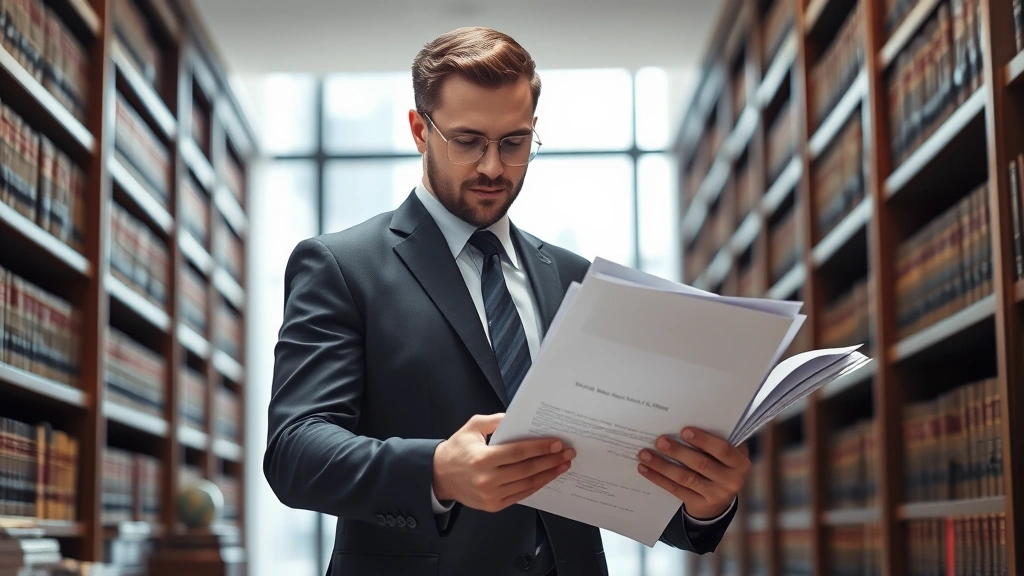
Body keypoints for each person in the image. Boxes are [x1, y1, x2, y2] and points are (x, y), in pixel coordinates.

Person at [264, 26, 750, 576]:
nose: (493, 167)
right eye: (467, 141)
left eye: (514, 142)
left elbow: (610, 467)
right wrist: (436, 471)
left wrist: (703, 504)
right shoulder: (341, 266)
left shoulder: (575, 278)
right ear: (420, 130)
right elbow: (294, 450)